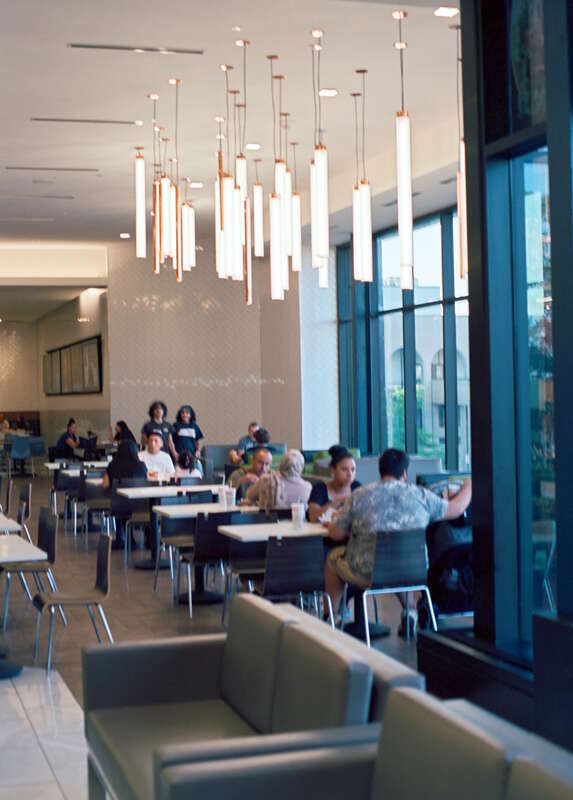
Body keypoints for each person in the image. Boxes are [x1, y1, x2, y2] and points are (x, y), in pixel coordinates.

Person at [324, 448, 472, 636]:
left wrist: (333, 524)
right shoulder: (421, 495)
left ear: (380, 470)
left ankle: (333, 617)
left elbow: (336, 534)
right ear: (404, 473)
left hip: (368, 571)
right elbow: (457, 508)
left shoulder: (359, 495)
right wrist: (469, 485)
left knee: (332, 558)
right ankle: (409, 612)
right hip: (413, 570)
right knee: (398, 564)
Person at [307, 446, 361, 523]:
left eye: (353, 469)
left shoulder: (357, 487)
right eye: (344, 469)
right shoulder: (320, 488)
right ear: (333, 470)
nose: (350, 474)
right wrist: (339, 501)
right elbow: (312, 517)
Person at [245, 449, 311, 508]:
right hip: (296, 520)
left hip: (268, 520)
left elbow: (249, 495)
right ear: (301, 468)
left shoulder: (266, 480)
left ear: (282, 463)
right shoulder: (308, 487)